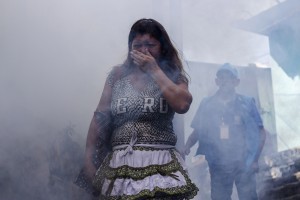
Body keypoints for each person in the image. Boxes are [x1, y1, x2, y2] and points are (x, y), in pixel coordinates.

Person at [75, 18, 198, 199]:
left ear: (162, 47)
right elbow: (100, 117)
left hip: (160, 163)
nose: (144, 50)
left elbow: (182, 104)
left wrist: (154, 70)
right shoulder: (117, 75)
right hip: (120, 163)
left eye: (150, 45)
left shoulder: (172, 75)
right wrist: (88, 158)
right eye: (137, 45)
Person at [184, 63, 266, 200]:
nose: (225, 81)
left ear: (236, 82)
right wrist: (187, 146)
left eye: (229, 78)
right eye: (221, 78)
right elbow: (198, 130)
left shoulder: (247, 103)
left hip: (244, 162)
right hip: (218, 164)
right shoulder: (207, 104)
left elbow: (261, 133)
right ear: (217, 81)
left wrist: (255, 159)